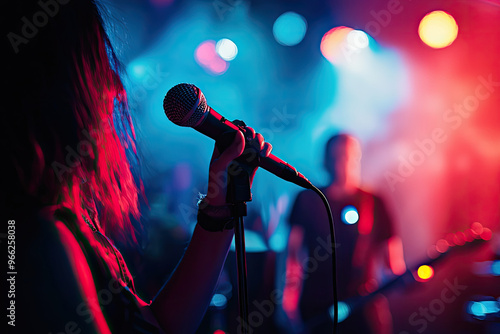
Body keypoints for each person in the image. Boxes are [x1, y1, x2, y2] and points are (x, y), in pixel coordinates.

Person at [4, 1, 271, 333]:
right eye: (96, 61)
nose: (116, 86)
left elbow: (160, 326)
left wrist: (221, 203)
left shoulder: (69, 220)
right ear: (52, 86)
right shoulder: (37, 236)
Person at [284, 134, 406, 334]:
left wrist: (408, 280)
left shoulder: (375, 203)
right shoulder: (307, 199)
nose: (343, 163)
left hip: (364, 305)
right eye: (337, 156)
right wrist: (286, 302)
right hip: (316, 306)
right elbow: (292, 256)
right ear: (325, 161)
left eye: (348, 156)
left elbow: (392, 264)